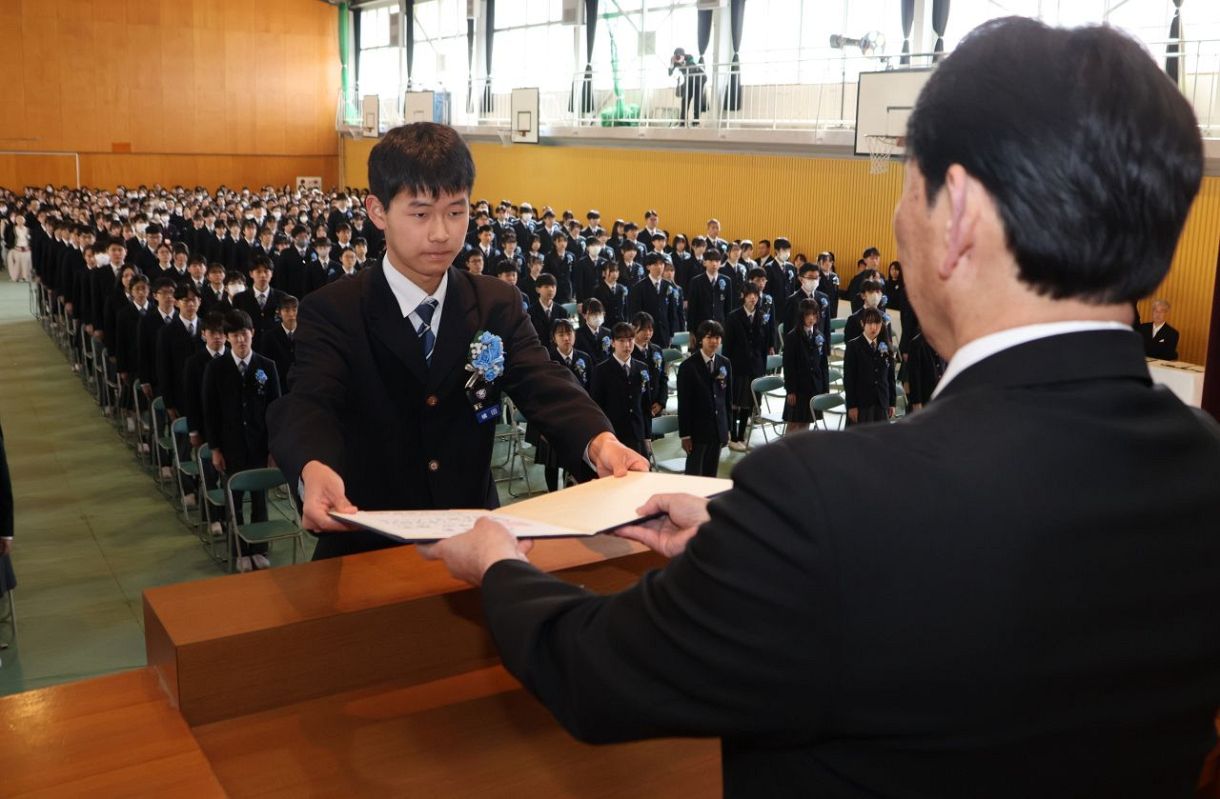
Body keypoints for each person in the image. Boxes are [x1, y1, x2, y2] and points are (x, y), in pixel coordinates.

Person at [420, 19, 1220, 796]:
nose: (900, 223)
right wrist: (749, 556)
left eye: (910, 187)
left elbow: (595, 673)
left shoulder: (826, 501)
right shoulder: (1201, 465)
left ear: (960, 216)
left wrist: (498, 564)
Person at [267, 123, 645, 560]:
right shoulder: (335, 310)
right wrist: (313, 468)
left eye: (455, 211)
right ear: (376, 210)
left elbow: (543, 379)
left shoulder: (495, 303)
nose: (442, 233)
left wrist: (600, 442)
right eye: (421, 213)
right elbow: (310, 402)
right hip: (368, 541)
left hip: (476, 535)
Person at [203, 310, 281, 573]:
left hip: (259, 445)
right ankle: (238, 551)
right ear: (227, 338)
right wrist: (215, 448)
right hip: (230, 445)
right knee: (234, 501)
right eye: (235, 335)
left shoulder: (266, 366)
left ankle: (259, 549)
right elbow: (210, 411)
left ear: (252, 334)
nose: (241, 340)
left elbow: (275, 409)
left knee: (260, 499)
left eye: (244, 334)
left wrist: (274, 448)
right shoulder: (216, 368)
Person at [675, 320, 731, 476]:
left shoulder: (725, 363)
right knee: (694, 474)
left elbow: (727, 399)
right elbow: (684, 404)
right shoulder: (688, 367)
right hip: (697, 432)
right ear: (700, 339)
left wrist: (727, 428)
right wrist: (685, 435)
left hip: (717, 429)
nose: (714, 341)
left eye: (717, 337)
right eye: (709, 337)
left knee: (711, 474)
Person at [723, 284, 773, 450]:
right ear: (743, 297)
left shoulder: (762, 316)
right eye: (750, 295)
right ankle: (733, 435)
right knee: (735, 403)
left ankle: (742, 435)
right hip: (738, 365)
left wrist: (763, 368)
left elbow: (765, 345)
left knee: (748, 404)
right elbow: (728, 346)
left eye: (756, 295)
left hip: (755, 365)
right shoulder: (733, 316)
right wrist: (727, 368)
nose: (753, 298)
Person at [591, 322, 650, 458]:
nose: (627, 345)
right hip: (614, 435)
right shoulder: (601, 371)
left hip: (638, 435)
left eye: (630, 340)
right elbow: (597, 408)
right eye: (621, 341)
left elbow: (645, 405)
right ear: (612, 343)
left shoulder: (642, 368)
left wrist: (647, 436)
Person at [781, 298, 829, 435]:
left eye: (814, 315)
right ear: (801, 316)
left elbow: (824, 364)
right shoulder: (792, 337)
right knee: (794, 422)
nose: (811, 318)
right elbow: (788, 365)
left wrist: (825, 388)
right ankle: (786, 452)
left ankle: (800, 451)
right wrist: (790, 390)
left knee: (806, 421)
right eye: (808, 315)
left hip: (814, 385)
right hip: (798, 387)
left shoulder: (820, 336)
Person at [843, 307, 896, 426]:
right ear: (863, 323)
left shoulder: (886, 346)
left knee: (880, 440)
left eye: (877, 323)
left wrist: (892, 402)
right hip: (862, 403)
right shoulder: (853, 346)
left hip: (881, 401)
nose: (874, 327)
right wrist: (852, 406)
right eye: (870, 323)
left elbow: (890, 377)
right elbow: (849, 379)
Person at [260, 295, 299, 394]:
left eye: (294, 310)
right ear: (280, 313)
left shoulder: (307, 334)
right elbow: (264, 365)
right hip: (278, 385)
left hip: (301, 385)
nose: (291, 314)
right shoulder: (269, 336)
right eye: (286, 310)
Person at [576, 298, 613, 364]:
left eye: (599, 313)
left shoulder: (608, 333)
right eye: (592, 314)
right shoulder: (577, 335)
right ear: (584, 315)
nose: (597, 317)